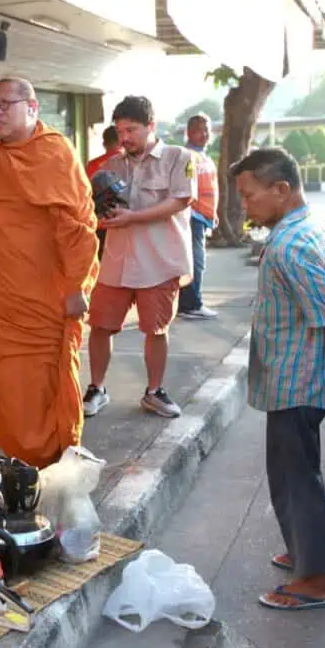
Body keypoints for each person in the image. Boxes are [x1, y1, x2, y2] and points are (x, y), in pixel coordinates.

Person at [234, 147, 325, 611]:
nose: (245, 205)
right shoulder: (318, 231)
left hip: (297, 380)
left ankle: (316, 579)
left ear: (280, 190)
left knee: (295, 478)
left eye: (249, 195)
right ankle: (304, 553)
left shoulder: (290, 244)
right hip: (299, 380)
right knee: (294, 472)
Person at [0, 78, 98, 468]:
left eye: (6, 104)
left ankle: (54, 463)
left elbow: (76, 227)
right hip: (1, 300)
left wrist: (75, 286)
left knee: (41, 388)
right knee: (7, 390)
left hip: (43, 299)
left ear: (32, 107)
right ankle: (25, 466)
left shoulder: (52, 152)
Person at [84, 96, 195, 420]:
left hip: (159, 262)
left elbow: (180, 200)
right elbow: (98, 209)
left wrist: (133, 217)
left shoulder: (178, 157)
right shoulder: (112, 165)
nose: (125, 137)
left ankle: (154, 391)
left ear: (151, 126)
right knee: (101, 326)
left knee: (155, 329)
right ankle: (97, 388)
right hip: (117, 261)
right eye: (120, 131)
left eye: (131, 129)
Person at [178, 113, 219, 320]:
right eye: (198, 130)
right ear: (189, 132)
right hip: (192, 216)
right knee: (195, 262)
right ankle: (191, 304)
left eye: (207, 130)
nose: (204, 134)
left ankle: (190, 303)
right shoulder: (187, 156)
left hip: (203, 216)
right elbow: (184, 186)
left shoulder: (204, 156)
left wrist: (213, 214)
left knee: (197, 260)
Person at [86, 126, 122, 261]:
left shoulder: (92, 165)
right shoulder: (124, 162)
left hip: (98, 222)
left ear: (104, 143)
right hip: (121, 222)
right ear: (120, 141)